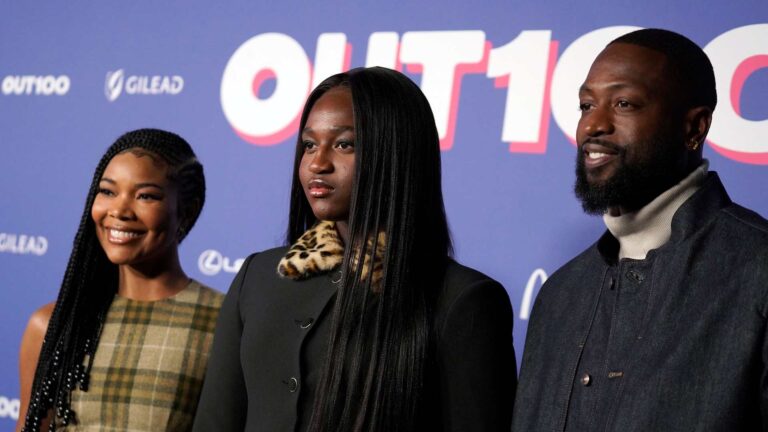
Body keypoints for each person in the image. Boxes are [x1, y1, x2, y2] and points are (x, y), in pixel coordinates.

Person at [193, 67, 516, 432]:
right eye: (309, 144)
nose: (318, 163)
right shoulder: (260, 276)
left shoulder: (462, 300)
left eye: (344, 144)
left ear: (397, 153)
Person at [512, 28, 768, 431]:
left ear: (693, 129)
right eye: (585, 105)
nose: (593, 125)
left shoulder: (757, 269)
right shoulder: (560, 296)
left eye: (624, 103)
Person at [17, 129, 223, 432]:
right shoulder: (53, 326)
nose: (120, 211)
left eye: (145, 196)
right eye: (108, 191)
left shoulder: (225, 322)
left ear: (186, 211)